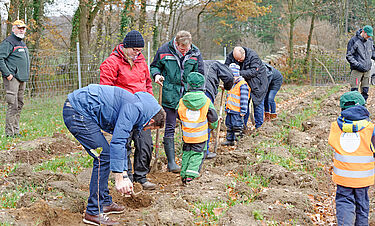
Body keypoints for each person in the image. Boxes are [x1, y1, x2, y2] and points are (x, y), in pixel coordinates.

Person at [63, 84, 165, 225]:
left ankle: (104, 202)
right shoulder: (134, 109)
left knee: (106, 154)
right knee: (103, 156)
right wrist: (119, 179)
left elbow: (122, 144)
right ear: (151, 121)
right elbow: (117, 142)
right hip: (77, 111)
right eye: (150, 128)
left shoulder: (141, 107)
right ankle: (92, 212)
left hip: (82, 109)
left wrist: (124, 175)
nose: (146, 129)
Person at [99, 30, 156, 190]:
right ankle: (126, 178)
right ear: (125, 46)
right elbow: (106, 90)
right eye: (134, 50)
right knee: (123, 145)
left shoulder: (142, 63)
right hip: (122, 113)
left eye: (139, 51)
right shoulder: (111, 63)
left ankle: (141, 177)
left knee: (145, 144)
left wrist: (149, 104)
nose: (136, 53)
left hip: (142, 112)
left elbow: (148, 84)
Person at [150, 30, 204, 172]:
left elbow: (200, 73)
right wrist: (156, 75)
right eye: (182, 48)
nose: (185, 51)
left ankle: (190, 158)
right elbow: (154, 66)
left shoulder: (195, 52)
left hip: (188, 96)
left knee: (190, 125)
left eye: (187, 48)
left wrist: (197, 91)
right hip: (169, 94)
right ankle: (172, 163)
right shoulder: (164, 50)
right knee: (170, 127)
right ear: (176, 43)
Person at [328, 91, 375, 226]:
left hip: (343, 178)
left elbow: (332, 142)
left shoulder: (335, 127)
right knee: (362, 206)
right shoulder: (371, 129)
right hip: (363, 179)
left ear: (342, 108)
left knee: (344, 203)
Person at [177, 72, 218, 184]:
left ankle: (184, 173)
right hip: (200, 136)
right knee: (197, 154)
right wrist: (211, 126)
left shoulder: (182, 102)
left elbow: (178, 115)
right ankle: (191, 176)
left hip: (187, 135)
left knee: (187, 153)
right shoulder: (206, 101)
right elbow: (213, 118)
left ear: (188, 85)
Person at [225, 46, 268, 129]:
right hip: (242, 82)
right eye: (236, 59)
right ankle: (242, 126)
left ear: (244, 53)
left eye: (240, 59)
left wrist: (238, 73)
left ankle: (259, 127)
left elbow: (253, 72)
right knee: (243, 103)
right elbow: (226, 68)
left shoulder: (253, 56)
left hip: (258, 82)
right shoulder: (231, 56)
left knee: (258, 104)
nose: (238, 61)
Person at [0, 20, 29, 137]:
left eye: (23, 28)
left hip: (22, 78)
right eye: (19, 28)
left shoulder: (22, 42)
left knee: (20, 104)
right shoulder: (8, 42)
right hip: (12, 79)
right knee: (12, 104)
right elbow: (0, 59)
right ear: (13, 29)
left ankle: (16, 131)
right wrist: (8, 74)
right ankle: (9, 133)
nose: (21, 30)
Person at [203, 60, 234, 159]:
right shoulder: (216, 64)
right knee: (206, 120)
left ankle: (192, 150)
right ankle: (205, 151)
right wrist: (227, 87)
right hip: (206, 91)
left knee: (193, 119)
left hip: (190, 91)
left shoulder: (197, 62)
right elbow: (229, 77)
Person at [221, 64, 250, 146]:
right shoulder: (232, 84)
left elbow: (244, 99)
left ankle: (238, 141)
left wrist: (243, 110)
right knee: (229, 125)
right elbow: (229, 97)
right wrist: (226, 108)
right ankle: (230, 140)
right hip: (230, 110)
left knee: (237, 126)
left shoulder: (242, 84)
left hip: (237, 111)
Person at [346, 25, 375, 101]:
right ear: (363, 32)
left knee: (365, 90)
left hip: (367, 70)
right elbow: (349, 55)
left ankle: (363, 106)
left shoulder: (370, 41)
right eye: (368, 35)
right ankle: (354, 107)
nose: (369, 37)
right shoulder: (354, 41)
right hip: (357, 70)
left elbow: (372, 53)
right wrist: (357, 65)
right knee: (354, 91)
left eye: (370, 35)